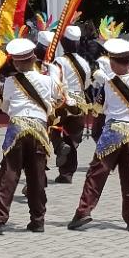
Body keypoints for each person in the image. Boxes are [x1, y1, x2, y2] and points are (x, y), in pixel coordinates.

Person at [68, 35, 129, 232]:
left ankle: (83, 211)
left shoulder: (108, 84)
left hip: (112, 131)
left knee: (96, 173)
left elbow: (98, 109)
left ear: (112, 64)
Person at [0, 37, 60, 235]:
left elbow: (6, 107)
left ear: (16, 62)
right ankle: (38, 219)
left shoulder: (10, 81)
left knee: (9, 174)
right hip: (40, 130)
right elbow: (57, 101)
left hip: (17, 128)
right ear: (33, 58)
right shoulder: (48, 79)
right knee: (37, 176)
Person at [51, 25, 91, 183]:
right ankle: (67, 174)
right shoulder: (85, 63)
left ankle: (58, 146)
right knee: (73, 139)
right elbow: (86, 84)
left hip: (62, 102)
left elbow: (55, 83)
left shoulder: (58, 61)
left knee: (53, 129)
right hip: (79, 103)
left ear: (63, 42)